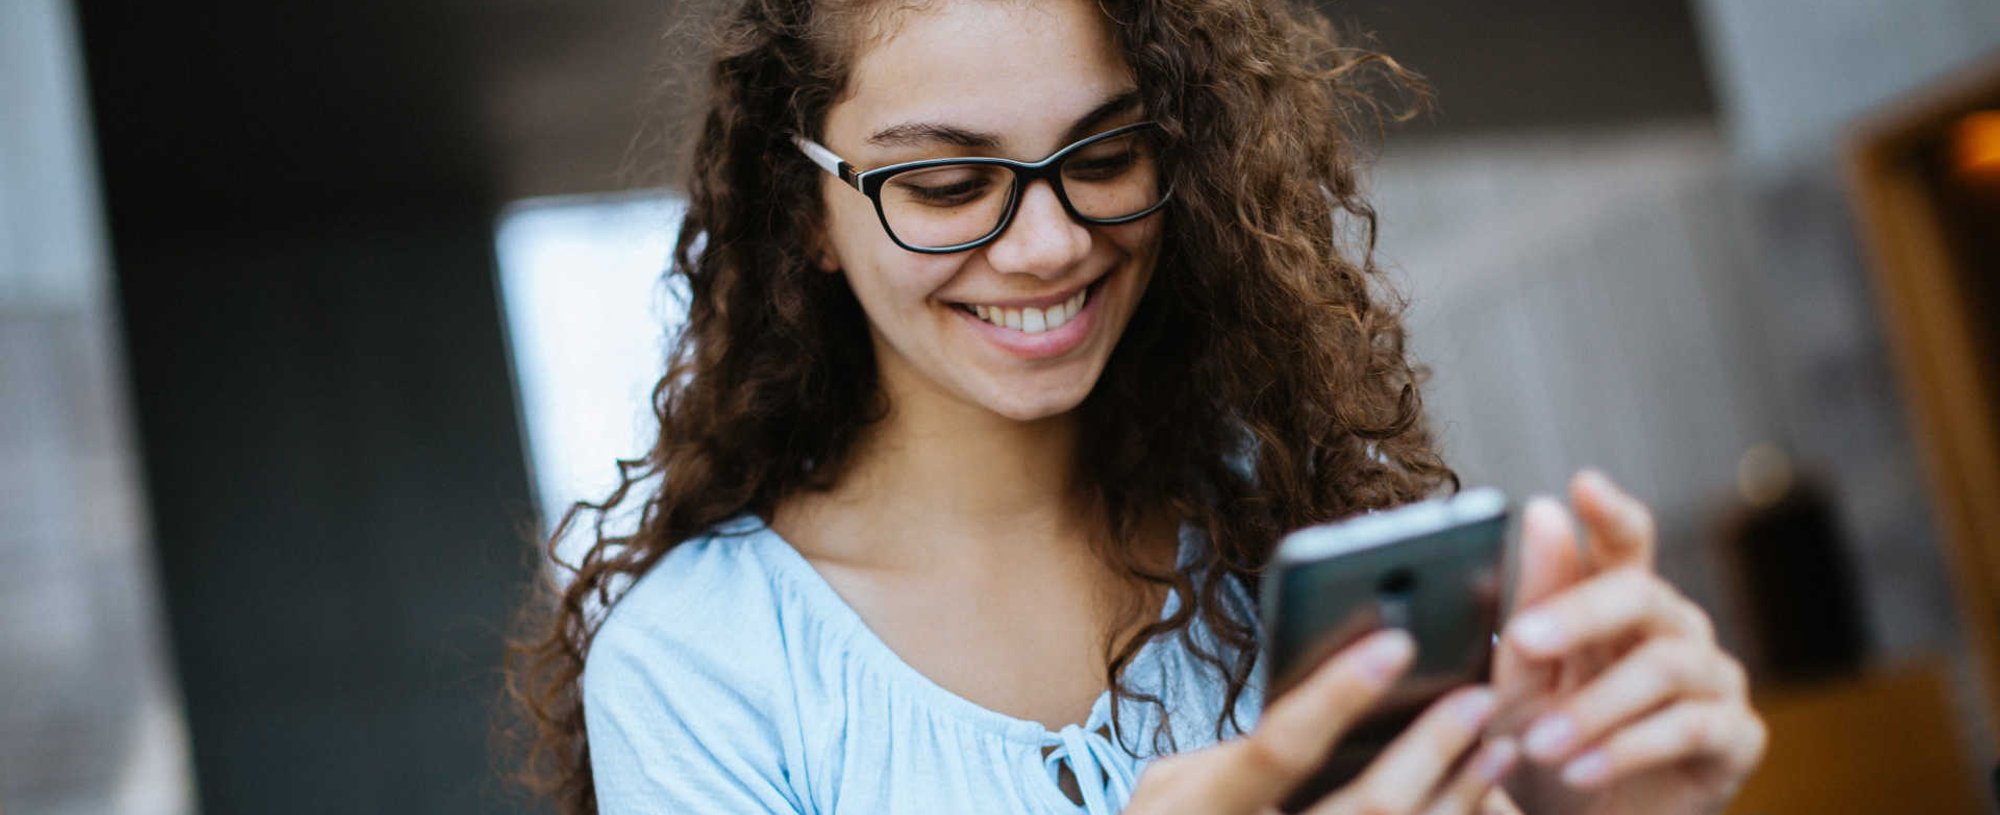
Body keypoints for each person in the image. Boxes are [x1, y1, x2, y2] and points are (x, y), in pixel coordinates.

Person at [506, 0, 1767, 811]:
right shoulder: (698, 670)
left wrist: (1575, 788)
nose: (1050, 244)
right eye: (947, 182)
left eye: (1105, 155)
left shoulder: (1284, 531)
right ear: (807, 217)